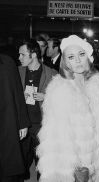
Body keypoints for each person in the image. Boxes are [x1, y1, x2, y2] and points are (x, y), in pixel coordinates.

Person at [36, 35, 99, 182]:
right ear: (66, 63)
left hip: (96, 159)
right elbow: (55, 138)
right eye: (71, 57)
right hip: (73, 167)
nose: (77, 60)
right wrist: (75, 168)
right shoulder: (59, 89)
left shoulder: (97, 84)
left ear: (88, 57)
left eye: (81, 54)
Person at [18, 39, 57, 179]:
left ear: (33, 55)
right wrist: (18, 95)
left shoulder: (52, 74)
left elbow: (61, 101)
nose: (19, 58)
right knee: (19, 167)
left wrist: (46, 97)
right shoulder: (17, 72)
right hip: (22, 127)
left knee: (43, 168)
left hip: (42, 128)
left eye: (22, 54)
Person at [0, 54, 30, 182]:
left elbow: (17, 92)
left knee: (8, 168)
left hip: (6, 121)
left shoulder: (6, 62)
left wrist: (22, 122)